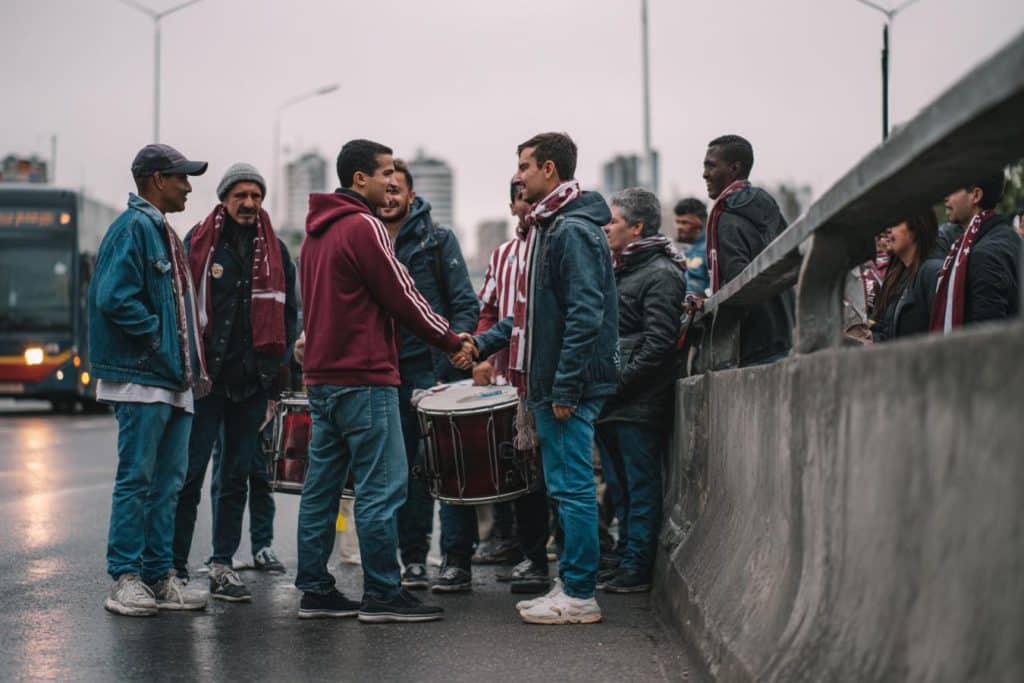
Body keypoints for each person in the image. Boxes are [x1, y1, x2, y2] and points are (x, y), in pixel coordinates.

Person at [296, 139, 467, 622]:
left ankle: (314, 588)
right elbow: (404, 295)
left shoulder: (314, 235)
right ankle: (383, 593)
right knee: (383, 486)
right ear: (359, 180)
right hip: (365, 379)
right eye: (386, 172)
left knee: (323, 488)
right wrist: (452, 340)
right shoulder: (364, 227)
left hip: (323, 380)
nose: (393, 180)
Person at [457, 131, 618, 625]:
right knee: (564, 488)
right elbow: (531, 318)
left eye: (525, 166)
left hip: (563, 386)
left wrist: (566, 387)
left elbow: (585, 314)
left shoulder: (569, 230)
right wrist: (482, 343)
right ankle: (570, 582)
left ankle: (580, 594)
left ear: (549, 170)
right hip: (550, 382)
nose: (518, 175)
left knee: (571, 489)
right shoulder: (549, 227)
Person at [89, 144, 210, 616]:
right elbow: (113, 297)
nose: (188, 186)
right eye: (181, 177)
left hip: (172, 381)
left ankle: (160, 577)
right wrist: (159, 339)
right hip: (143, 378)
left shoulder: (164, 232)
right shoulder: (135, 227)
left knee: (169, 483)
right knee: (138, 479)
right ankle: (125, 577)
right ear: (158, 179)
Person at [172, 163, 298, 601]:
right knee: (187, 477)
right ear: (224, 199)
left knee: (236, 478)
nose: (249, 203)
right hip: (205, 384)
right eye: (240, 195)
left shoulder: (278, 252)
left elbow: (289, 316)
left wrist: (273, 376)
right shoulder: (199, 244)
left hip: (251, 386)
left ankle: (222, 565)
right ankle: (173, 568)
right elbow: (181, 308)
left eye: (256, 196)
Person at [377, 158, 480, 593]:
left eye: (397, 188)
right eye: (385, 188)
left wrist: (458, 350)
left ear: (412, 195)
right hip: (389, 374)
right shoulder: (369, 241)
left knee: (452, 468)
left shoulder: (438, 241)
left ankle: (456, 560)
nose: (389, 196)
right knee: (405, 472)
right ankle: (413, 559)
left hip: (438, 372)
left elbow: (464, 303)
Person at [596, 188, 686, 593]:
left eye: (613, 221)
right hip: (614, 401)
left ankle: (636, 568)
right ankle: (626, 562)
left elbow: (659, 345)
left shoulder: (662, 274)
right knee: (620, 488)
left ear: (637, 227)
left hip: (638, 402)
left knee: (641, 486)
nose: (606, 227)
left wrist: (616, 385)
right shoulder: (620, 270)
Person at [471, 179, 552, 594]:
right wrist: (482, 355)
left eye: (533, 199)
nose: (527, 207)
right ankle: (519, 550)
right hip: (505, 379)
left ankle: (539, 558)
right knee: (512, 469)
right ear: (512, 206)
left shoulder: (552, 244)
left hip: (542, 378)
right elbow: (488, 309)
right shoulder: (502, 254)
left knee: (542, 475)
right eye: (521, 200)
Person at [697, 134, 794, 366]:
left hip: (750, 345)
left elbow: (736, 282)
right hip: (781, 331)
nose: (704, 174)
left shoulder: (726, 217)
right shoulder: (767, 208)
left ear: (734, 168)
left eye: (711, 166)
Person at [931, 175, 1021, 332]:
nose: (945, 197)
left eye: (953, 189)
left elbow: (987, 334)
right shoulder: (1010, 237)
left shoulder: (984, 254)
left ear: (976, 195)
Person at [870, 212, 941, 342]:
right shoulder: (897, 276)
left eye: (895, 223)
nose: (887, 229)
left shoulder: (932, 273)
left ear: (915, 230)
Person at [673, 198, 709, 295]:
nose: (679, 227)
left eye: (684, 222)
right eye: (677, 222)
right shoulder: (683, 251)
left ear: (699, 224)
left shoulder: (710, 249)